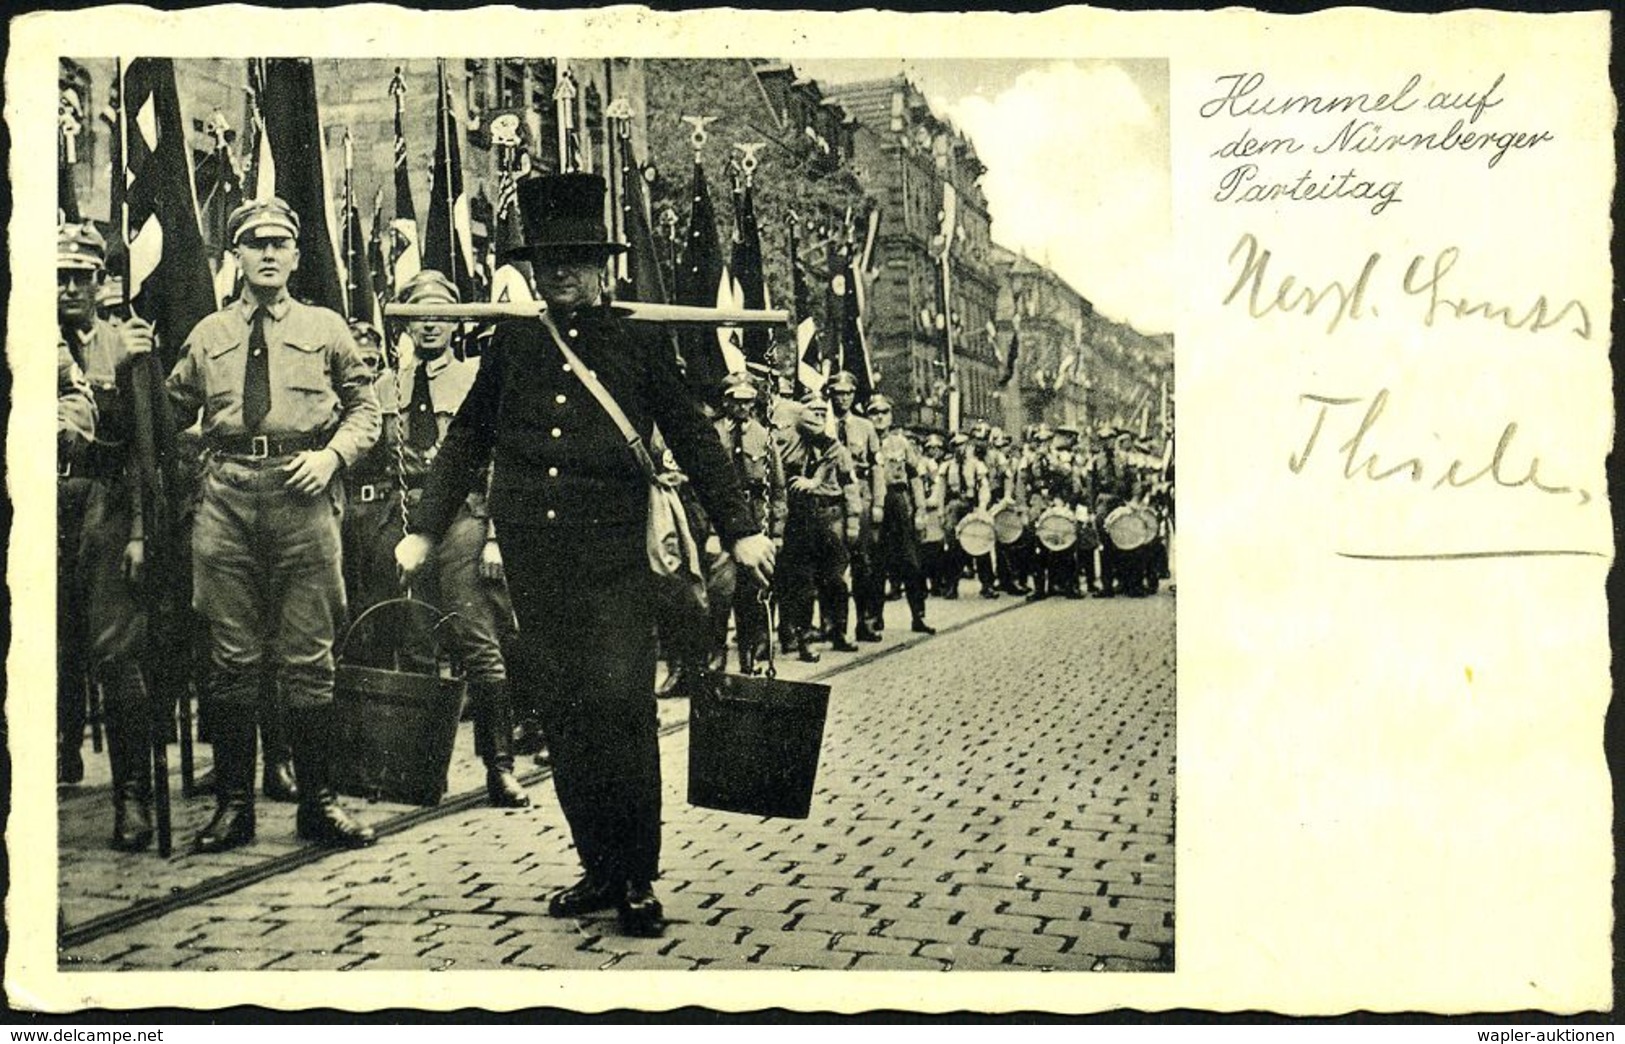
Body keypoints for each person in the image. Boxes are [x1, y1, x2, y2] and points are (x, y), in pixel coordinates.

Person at [394, 173, 774, 938]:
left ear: (603, 266)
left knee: (621, 711)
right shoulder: (515, 344)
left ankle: (636, 874)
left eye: (574, 258)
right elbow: (468, 438)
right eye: (547, 261)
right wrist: (427, 529)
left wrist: (739, 526)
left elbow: (696, 436)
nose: (559, 272)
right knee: (565, 716)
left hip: (613, 564)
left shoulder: (636, 339)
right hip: (537, 563)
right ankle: (597, 866)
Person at [162, 197, 382, 853]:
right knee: (231, 658)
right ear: (236, 255)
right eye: (253, 243)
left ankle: (318, 804)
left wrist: (331, 456)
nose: (266, 253)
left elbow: (365, 410)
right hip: (227, 498)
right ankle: (234, 808)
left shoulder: (326, 327)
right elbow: (168, 414)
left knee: (308, 656)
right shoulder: (207, 334)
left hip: (303, 493)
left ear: (294, 254)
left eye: (278, 243)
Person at [389, 271, 529, 807]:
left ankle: (499, 768)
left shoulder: (476, 379)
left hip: (464, 520)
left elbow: (499, 461)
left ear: (456, 322)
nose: (429, 324)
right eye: (418, 314)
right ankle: (420, 770)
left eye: (441, 314)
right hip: (403, 522)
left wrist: (494, 534)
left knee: (476, 639)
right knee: (415, 640)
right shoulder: (387, 384)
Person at [776, 394, 861, 661]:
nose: (816, 417)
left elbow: (847, 478)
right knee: (798, 578)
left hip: (827, 512)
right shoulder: (785, 431)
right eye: (812, 411)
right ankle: (801, 636)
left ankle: (837, 631)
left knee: (835, 576)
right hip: (794, 508)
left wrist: (815, 480)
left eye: (820, 412)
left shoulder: (827, 445)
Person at [711, 371, 786, 675]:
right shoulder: (713, 433)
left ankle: (749, 655)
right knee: (719, 590)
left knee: (752, 595)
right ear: (725, 401)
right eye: (736, 401)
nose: (743, 408)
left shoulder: (764, 436)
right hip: (721, 523)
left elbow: (778, 488)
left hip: (755, 520)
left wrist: (777, 531)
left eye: (748, 401)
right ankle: (716, 654)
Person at [867, 394, 934, 635]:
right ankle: (875, 617)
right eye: (874, 412)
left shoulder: (901, 443)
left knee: (911, 563)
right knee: (876, 564)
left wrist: (920, 511)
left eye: (884, 412)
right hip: (875, 504)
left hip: (899, 502)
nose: (879, 417)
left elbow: (915, 478)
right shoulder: (865, 440)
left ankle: (918, 616)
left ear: (891, 416)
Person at [827, 371, 885, 642]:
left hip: (861, 496)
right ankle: (833, 625)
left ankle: (866, 621)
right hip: (832, 494)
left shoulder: (865, 427)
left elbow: (877, 468)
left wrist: (878, 503)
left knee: (863, 563)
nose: (844, 398)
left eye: (848, 393)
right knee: (834, 564)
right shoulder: (823, 424)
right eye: (839, 393)